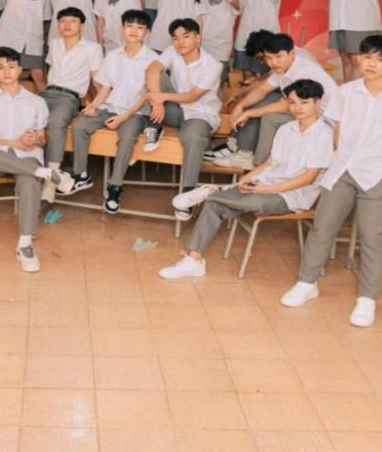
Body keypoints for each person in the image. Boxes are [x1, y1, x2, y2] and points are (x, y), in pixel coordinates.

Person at [280, 35, 382, 328]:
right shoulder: (346, 92)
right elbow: (337, 127)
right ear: (359, 58)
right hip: (342, 170)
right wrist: (338, 155)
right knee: (322, 228)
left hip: (378, 174)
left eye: (380, 59)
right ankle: (307, 283)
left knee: (372, 237)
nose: (372, 63)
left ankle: (367, 298)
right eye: (367, 57)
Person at [159, 79, 333, 279]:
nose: (297, 107)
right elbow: (269, 164)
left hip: (292, 196)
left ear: (317, 103)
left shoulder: (324, 135)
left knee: (249, 201)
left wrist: (265, 190)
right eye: (292, 102)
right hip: (265, 184)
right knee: (214, 206)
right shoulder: (286, 129)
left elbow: (309, 178)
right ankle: (194, 260)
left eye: (304, 102)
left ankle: (214, 192)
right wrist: (246, 179)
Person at [0, 48, 76, 272]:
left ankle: (25, 244)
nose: (6, 72)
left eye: (11, 67)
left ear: (20, 70)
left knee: (29, 180)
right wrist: (12, 143)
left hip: (26, 158)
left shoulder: (36, 102)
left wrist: (35, 138)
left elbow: (42, 138)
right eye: (1, 68)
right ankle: (46, 173)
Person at [213, 32, 339, 170]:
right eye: (269, 58)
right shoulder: (284, 67)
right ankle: (242, 152)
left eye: (278, 57)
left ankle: (256, 163)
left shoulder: (302, 70)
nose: (273, 62)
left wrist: (247, 113)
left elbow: (284, 106)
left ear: (291, 54)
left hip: (326, 121)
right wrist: (241, 106)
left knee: (270, 118)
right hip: (307, 112)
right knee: (259, 105)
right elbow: (262, 90)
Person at [71, 9, 157, 213]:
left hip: (135, 113)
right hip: (109, 107)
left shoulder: (153, 59)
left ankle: (115, 186)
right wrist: (93, 105)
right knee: (80, 125)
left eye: (140, 27)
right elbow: (106, 87)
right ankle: (81, 175)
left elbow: (146, 96)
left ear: (147, 32)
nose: (134, 31)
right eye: (129, 26)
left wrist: (123, 117)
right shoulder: (112, 55)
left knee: (127, 137)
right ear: (122, 28)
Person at [142, 19, 222, 194]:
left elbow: (193, 96)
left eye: (186, 36)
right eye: (176, 38)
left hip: (199, 114)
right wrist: (158, 101)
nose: (180, 42)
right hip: (173, 109)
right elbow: (153, 69)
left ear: (197, 38)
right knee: (153, 73)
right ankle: (154, 125)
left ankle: (188, 191)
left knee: (193, 138)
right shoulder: (172, 51)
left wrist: (162, 97)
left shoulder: (213, 65)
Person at [40, 7, 104, 201]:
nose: (67, 25)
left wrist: (99, 104)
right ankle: (30, 170)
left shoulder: (92, 48)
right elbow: (51, 71)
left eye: (73, 21)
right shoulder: (54, 44)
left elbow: (98, 81)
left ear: (82, 25)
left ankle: (51, 180)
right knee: (24, 118)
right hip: (46, 93)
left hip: (69, 97)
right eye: (63, 21)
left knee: (55, 122)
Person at [235, 0, 288, 84]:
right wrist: (234, 2)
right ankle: (244, 94)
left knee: (262, 74)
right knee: (246, 72)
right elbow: (242, 7)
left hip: (266, 33)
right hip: (246, 31)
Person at [202, 0, 242, 66]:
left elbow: (239, 5)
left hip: (221, 45)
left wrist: (233, 1)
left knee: (219, 74)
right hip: (201, 43)